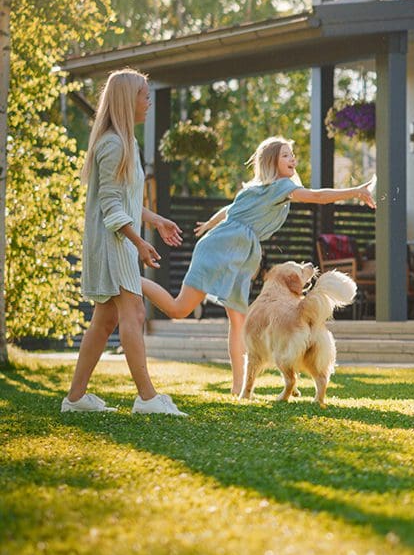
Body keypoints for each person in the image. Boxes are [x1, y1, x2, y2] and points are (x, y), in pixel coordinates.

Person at [141, 136, 376, 396]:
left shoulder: (259, 189)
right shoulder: (279, 186)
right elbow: (317, 196)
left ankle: (239, 388)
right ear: (271, 161)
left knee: (239, 323)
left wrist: (209, 224)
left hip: (238, 255)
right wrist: (355, 191)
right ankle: (135, 281)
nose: (292, 159)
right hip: (222, 249)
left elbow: (230, 209)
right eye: (285, 155)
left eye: (292, 154)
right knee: (179, 309)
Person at [63, 68, 187, 416]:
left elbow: (128, 201)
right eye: (144, 94)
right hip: (112, 242)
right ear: (126, 99)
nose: (149, 101)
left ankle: (74, 399)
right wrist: (139, 242)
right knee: (132, 311)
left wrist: (155, 219)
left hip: (120, 240)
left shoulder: (128, 142)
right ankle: (147, 398)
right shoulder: (113, 144)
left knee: (105, 320)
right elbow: (111, 206)